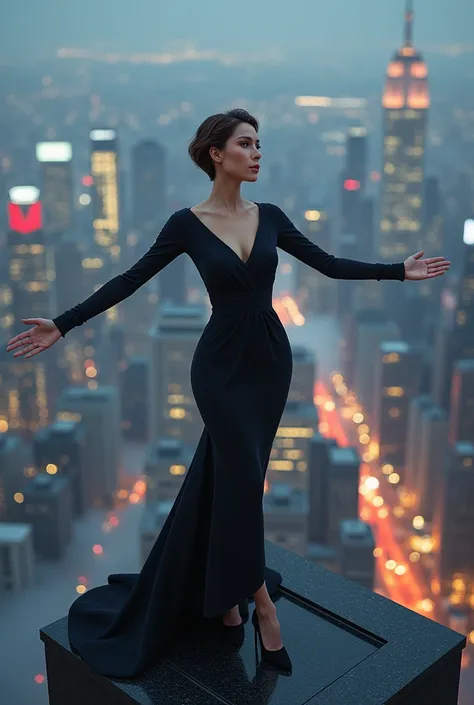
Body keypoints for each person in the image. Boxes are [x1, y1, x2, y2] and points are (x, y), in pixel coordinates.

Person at [5, 108, 450, 678]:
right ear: (218, 153)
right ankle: (261, 609)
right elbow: (128, 280)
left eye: (260, 144)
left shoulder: (271, 217)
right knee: (240, 481)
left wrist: (397, 270)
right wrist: (62, 324)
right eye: (246, 144)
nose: (258, 153)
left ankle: (225, 605)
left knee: (236, 481)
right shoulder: (186, 223)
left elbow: (329, 266)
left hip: (269, 360)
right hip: (218, 367)